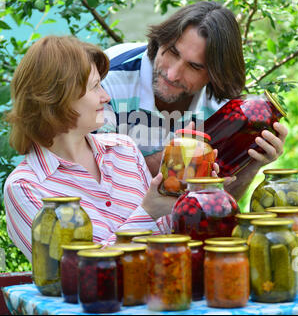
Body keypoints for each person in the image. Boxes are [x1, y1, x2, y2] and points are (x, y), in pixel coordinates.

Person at [3, 35, 187, 262]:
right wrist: (147, 212)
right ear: (58, 97)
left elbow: (166, 233)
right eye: (94, 87)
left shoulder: (124, 149)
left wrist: (191, 192)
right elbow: (75, 272)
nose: (105, 96)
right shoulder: (26, 186)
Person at [100, 1, 288, 200]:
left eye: (194, 67)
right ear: (160, 41)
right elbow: (90, 175)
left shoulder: (224, 108)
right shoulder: (107, 77)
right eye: (172, 52)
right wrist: (180, 155)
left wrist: (251, 164)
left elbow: (214, 204)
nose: (172, 74)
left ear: (215, 75)